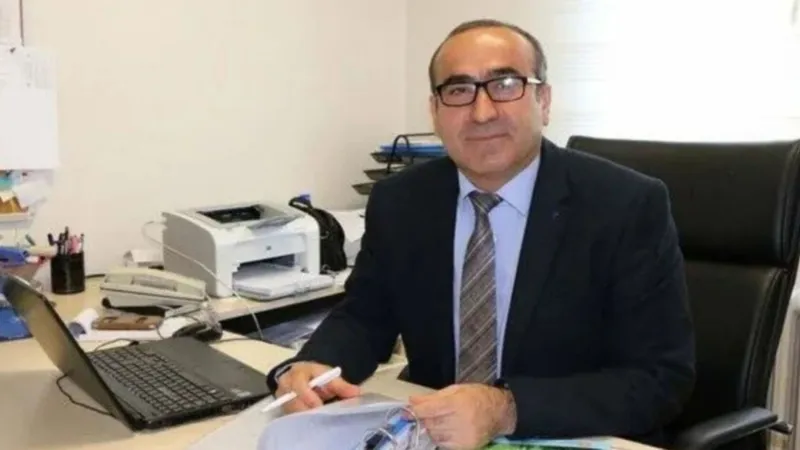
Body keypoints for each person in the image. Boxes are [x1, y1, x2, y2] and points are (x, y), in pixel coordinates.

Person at [266, 18, 695, 449]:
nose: (482, 112)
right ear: (435, 112)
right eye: (458, 90)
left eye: (505, 84)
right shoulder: (401, 202)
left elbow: (660, 379)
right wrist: (314, 366)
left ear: (543, 101)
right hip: (433, 436)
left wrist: (505, 409)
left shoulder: (625, 205)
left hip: (569, 438)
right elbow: (364, 316)